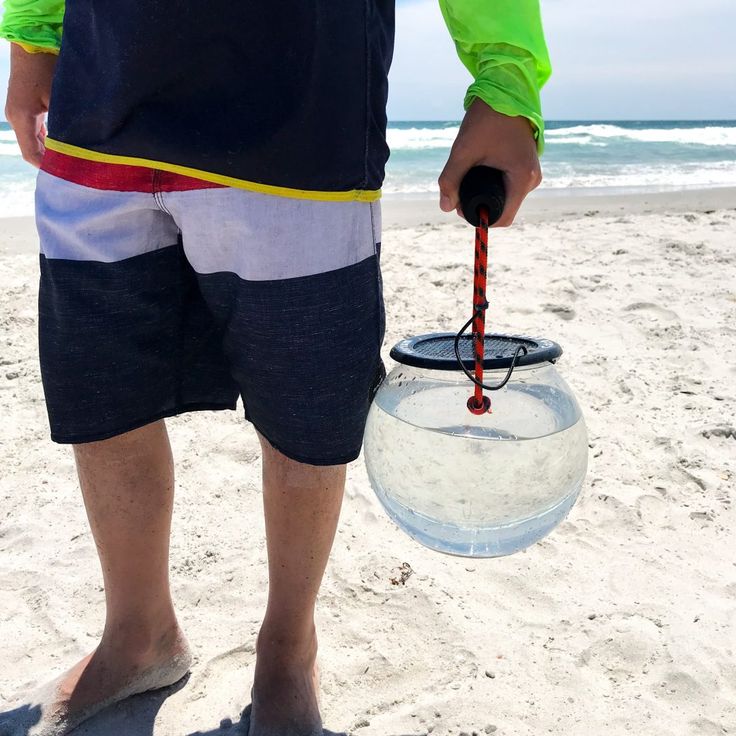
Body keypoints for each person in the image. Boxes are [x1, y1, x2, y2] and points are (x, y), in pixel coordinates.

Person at [0, 1, 551, 734]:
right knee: (102, 390)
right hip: (101, 97)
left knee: (306, 408)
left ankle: (289, 651)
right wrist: (33, 34)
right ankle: (138, 636)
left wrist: (504, 79)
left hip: (300, 111)